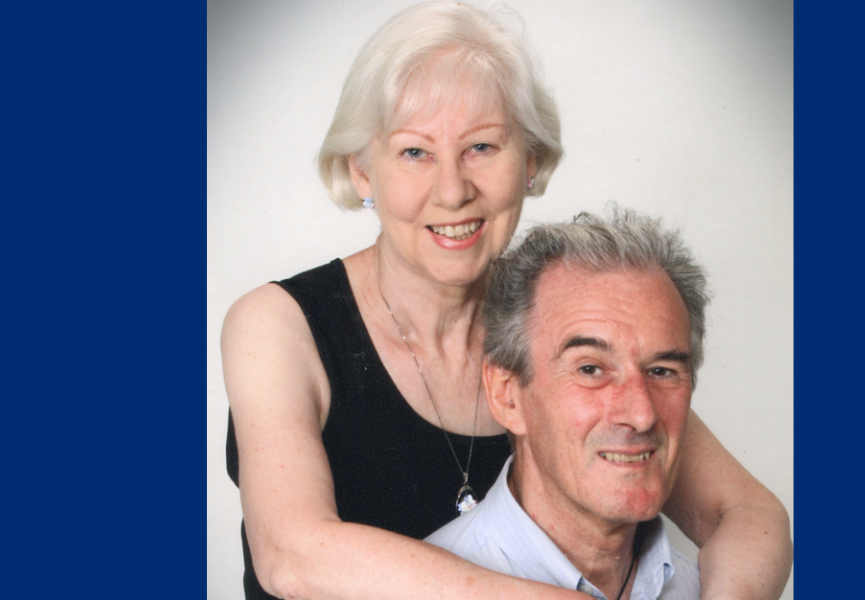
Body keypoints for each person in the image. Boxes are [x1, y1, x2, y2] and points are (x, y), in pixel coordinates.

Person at [221, 3, 792, 600]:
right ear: (362, 172)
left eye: (482, 147)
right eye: (415, 152)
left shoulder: (549, 317)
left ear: (531, 161)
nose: (452, 191)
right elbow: (291, 556)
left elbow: (750, 514)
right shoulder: (277, 325)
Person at [427, 206, 713, 600]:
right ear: (507, 395)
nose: (642, 414)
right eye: (591, 369)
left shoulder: (708, 588)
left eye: (662, 371)